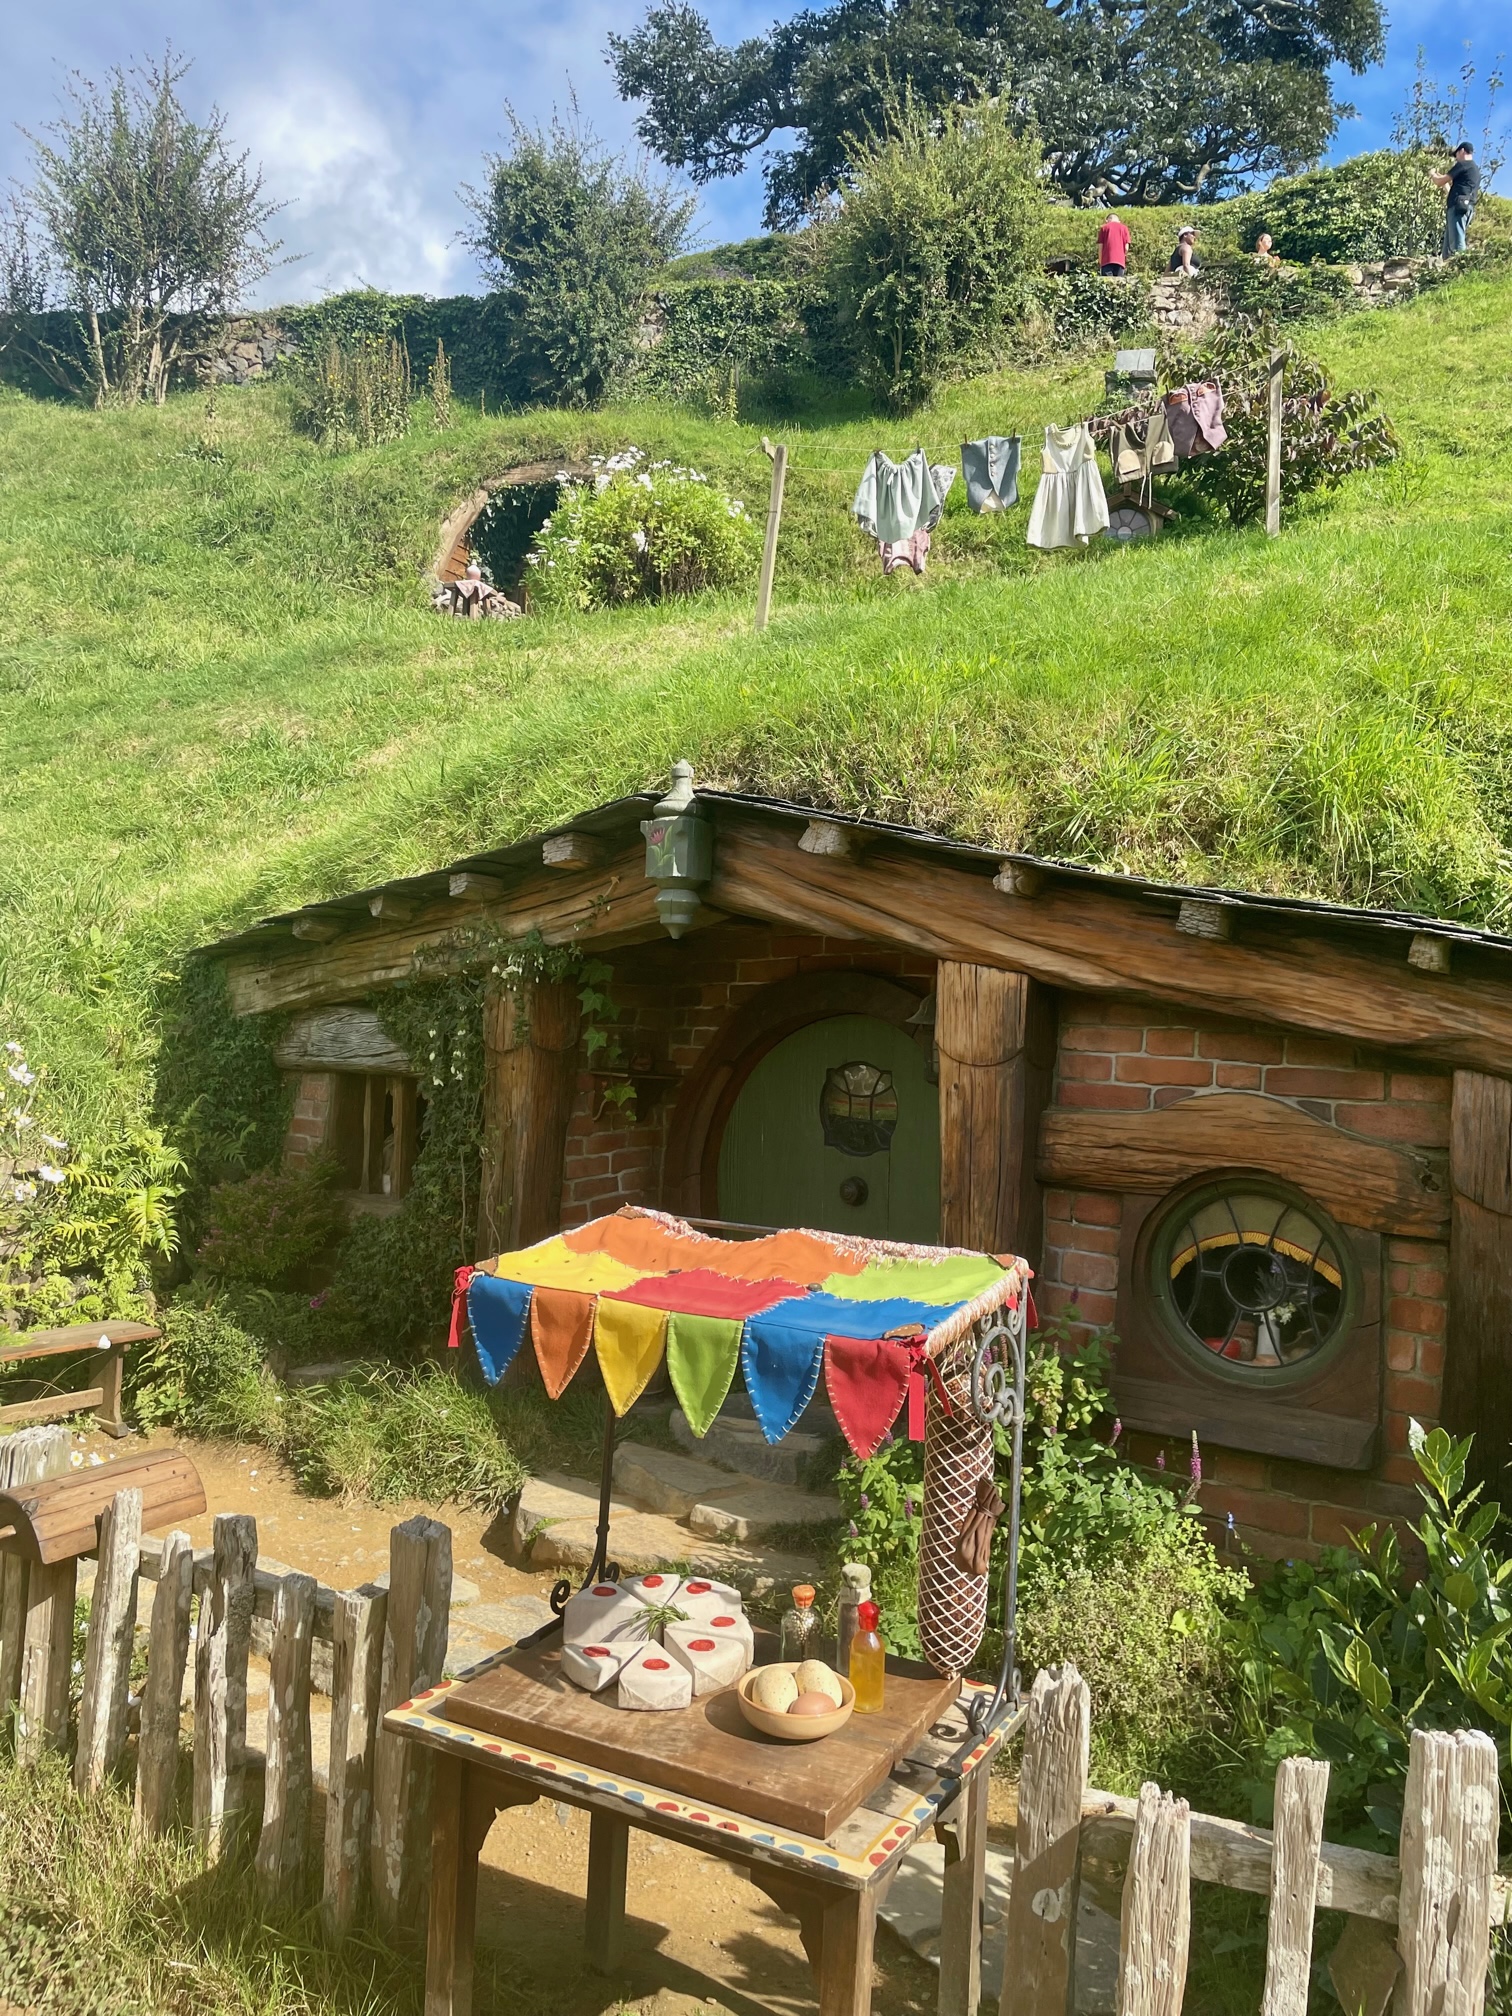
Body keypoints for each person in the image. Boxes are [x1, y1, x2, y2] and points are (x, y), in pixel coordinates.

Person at [1431, 142, 1481, 256]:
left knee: (1457, 244)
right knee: (1449, 246)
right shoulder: (1474, 170)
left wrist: (1432, 174)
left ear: (1462, 151)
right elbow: (1453, 190)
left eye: (1456, 155)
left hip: (1457, 208)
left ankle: (1461, 269)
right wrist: (1444, 182)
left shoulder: (1463, 164)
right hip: (1465, 207)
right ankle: (1448, 270)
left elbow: (1439, 182)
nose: (1456, 158)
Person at [1098, 212, 1131, 277]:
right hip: (1120, 262)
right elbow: (1126, 248)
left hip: (1106, 261)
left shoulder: (1104, 228)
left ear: (1107, 220)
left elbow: (1100, 247)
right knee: (1118, 285)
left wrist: (1100, 261)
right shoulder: (1124, 228)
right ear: (1119, 221)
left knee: (1107, 285)